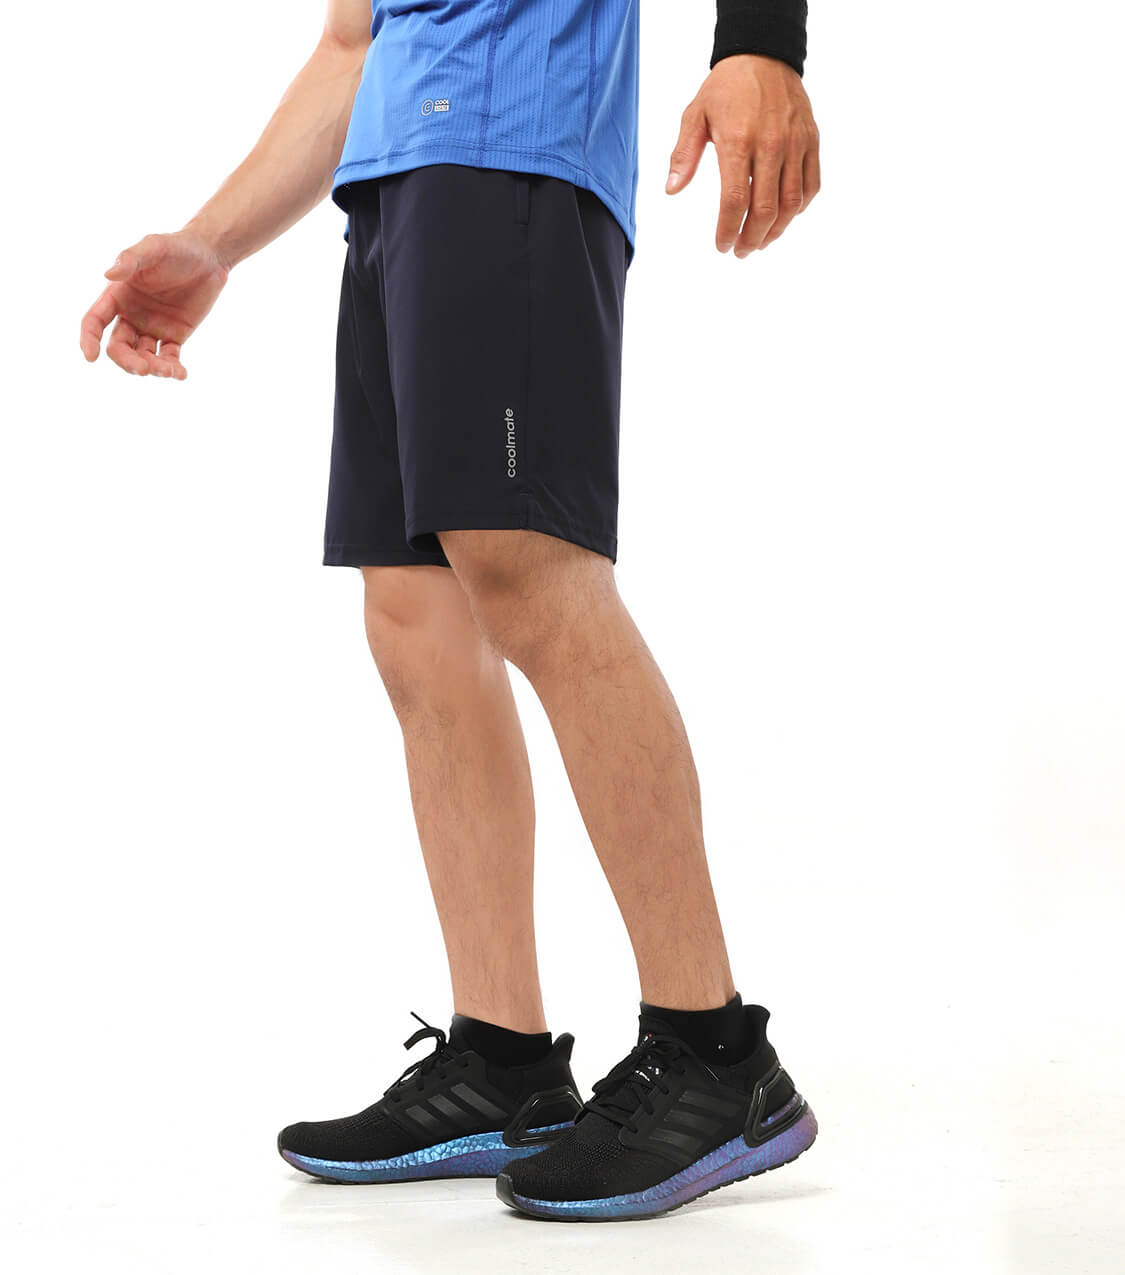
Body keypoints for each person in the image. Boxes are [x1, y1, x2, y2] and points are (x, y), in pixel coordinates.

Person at [79, 0, 821, 1221]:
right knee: (414, 614)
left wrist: (759, 43)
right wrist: (212, 244)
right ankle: (504, 1061)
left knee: (531, 574)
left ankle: (714, 1053)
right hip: (394, 187)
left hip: (506, 156)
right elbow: (350, 44)